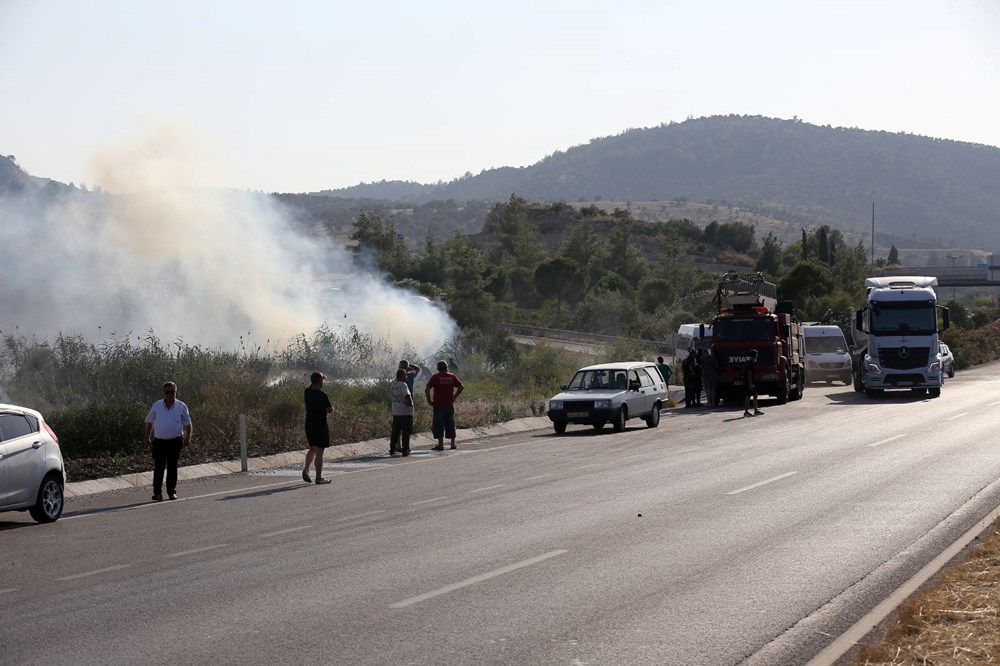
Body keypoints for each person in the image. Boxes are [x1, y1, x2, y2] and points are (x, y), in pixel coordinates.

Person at [144, 381, 192, 501]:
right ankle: (157, 493)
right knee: (158, 467)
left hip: (175, 442)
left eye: (172, 391)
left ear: (176, 392)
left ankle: (171, 492)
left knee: (172, 467)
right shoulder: (157, 405)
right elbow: (150, 422)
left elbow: (188, 424)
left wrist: (188, 437)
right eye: (167, 392)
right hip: (159, 442)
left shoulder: (181, 406)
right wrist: (147, 438)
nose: (170, 394)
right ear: (163, 393)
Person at [424, 360, 464, 450]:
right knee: (450, 423)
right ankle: (452, 444)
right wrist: (454, 396)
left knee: (439, 424)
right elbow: (461, 387)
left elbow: (427, 389)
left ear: (438, 368)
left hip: (438, 405)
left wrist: (429, 401)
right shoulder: (452, 376)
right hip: (450, 405)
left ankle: (440, 445)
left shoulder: (435, 377)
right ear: (446, 368)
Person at [303, 371, 334, 484]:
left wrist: (316, 380)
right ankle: (318, 477)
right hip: (320, 425)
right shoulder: (322, 395)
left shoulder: (307, 392)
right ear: (319, 381)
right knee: (320, 451)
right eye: (322, 380)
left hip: (309, 424)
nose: (323, 383)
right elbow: (330, 410)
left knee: (313, 448)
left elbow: (311, 386)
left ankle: (306, 468)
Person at [389, 368, 414, 457]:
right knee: (406, 432)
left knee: (395, 431)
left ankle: (392, 448)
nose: (406, 377)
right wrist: (409, 403)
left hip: (396, 411)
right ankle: (405, 449)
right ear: (402, 376)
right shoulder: (403, 385)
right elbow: (407, 396)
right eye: (405, 375)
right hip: (405, 412)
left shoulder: (392, 384)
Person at [743, 349, 763, 417]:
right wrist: (751, 383)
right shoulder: (751, 363)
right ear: (755, 355)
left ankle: (754, 410)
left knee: (752, 395)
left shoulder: (750, 362)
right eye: (757, 354)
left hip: (748, 381)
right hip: (749, 382)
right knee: (750, 396)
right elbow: (749, 373)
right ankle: (748, 411)